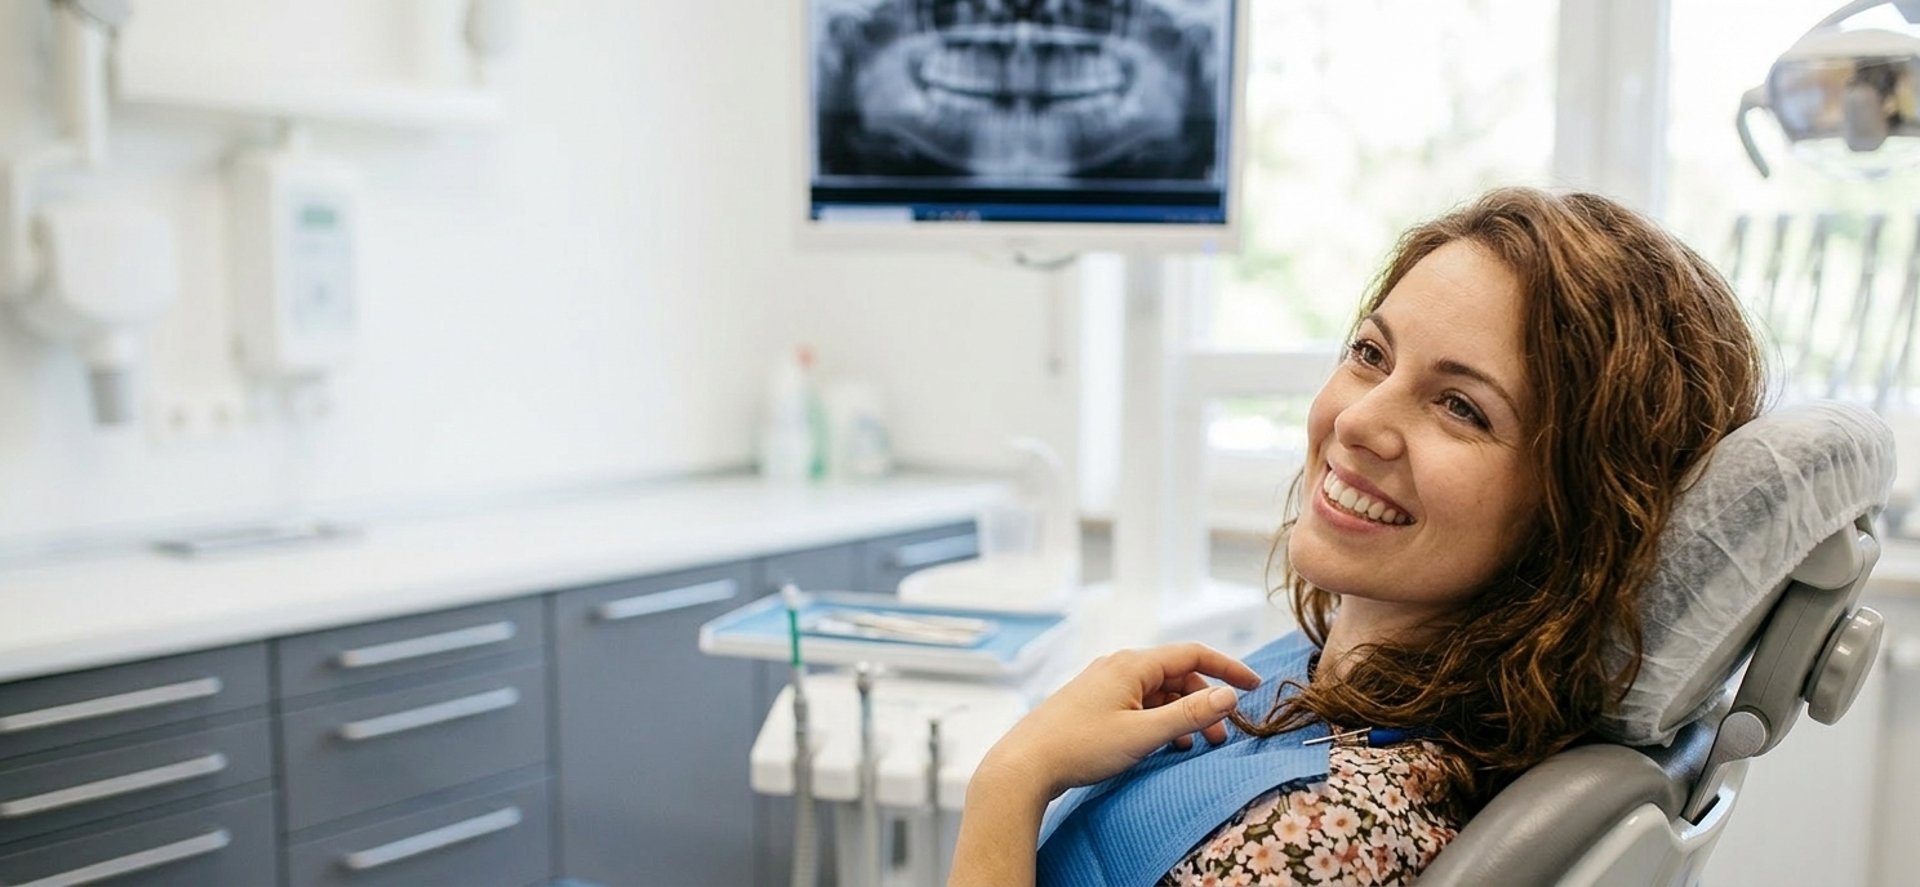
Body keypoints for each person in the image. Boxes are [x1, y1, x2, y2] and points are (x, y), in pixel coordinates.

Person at [948, 188, 1767, 887]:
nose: (1358, 420)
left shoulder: (1325, 833)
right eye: (1372, 353)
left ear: (1577, 507)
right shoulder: (1335, 679)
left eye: (1461, 406)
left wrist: (1012, 778)